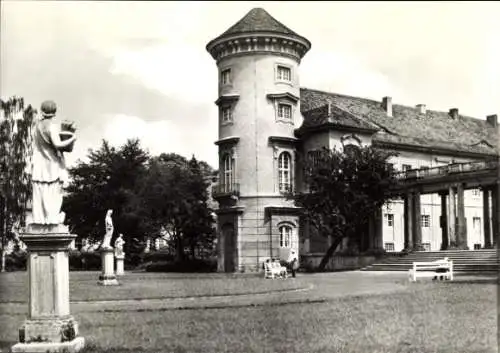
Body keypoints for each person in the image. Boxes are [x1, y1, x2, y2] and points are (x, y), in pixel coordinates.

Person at [31, 100, 76, 225]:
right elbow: (58, 145)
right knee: (53, 193)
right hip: (52, 165)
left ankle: (39, 220)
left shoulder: (36, 127)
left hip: (39, 166)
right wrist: (72, 138)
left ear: (42, 110)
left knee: (40, 193)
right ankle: (51, 219)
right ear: (54, 112)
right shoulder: (52, 126)